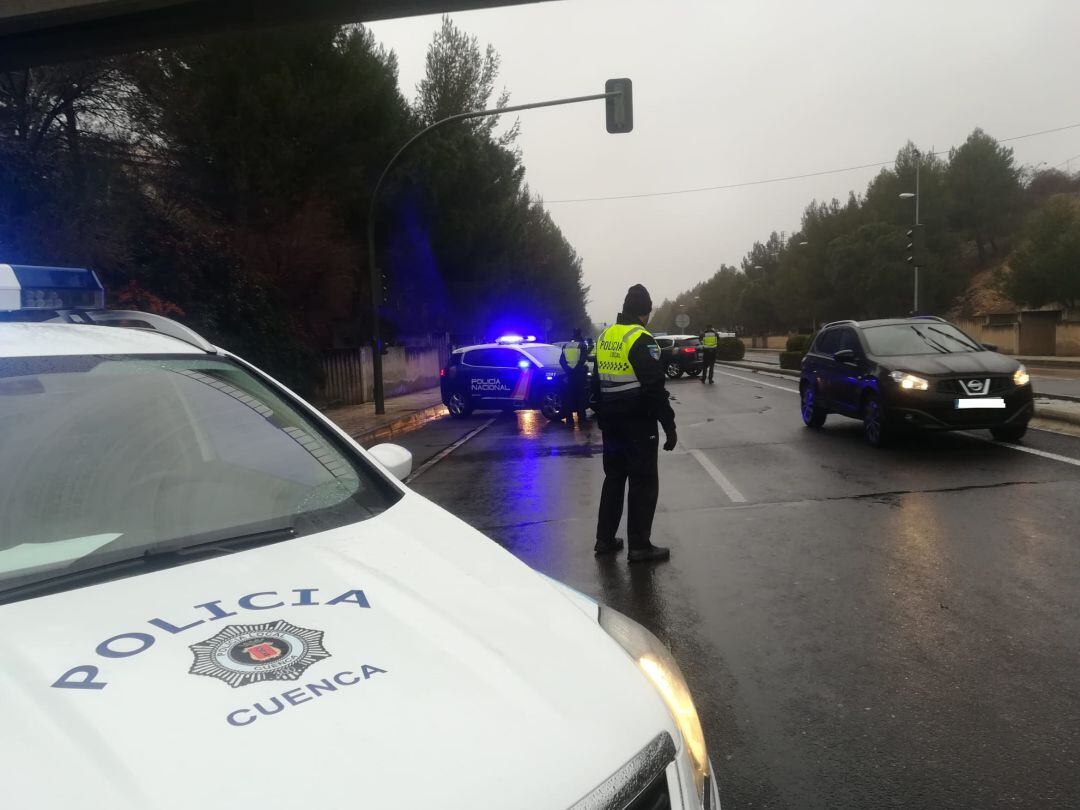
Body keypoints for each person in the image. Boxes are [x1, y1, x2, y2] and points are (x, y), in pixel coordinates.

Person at [591, 284, 676, 564]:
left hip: (611, 422)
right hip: (638, 424)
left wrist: (601, 415)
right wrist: (669, 425)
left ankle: (605, 539)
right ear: (645, 312)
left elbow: (595, 382)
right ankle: (639, 547)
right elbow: (654, 387)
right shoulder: (641, 338)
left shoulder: (606, 336)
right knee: (643, 482)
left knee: (614, 478)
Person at [559, 328, 590, 425]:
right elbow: (582, 360)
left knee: (569, 397)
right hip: (579, 376)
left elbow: (561, 361)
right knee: (581, 397)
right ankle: (582, 418)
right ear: (580, 334)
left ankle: (569, 419)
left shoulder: (566, 346)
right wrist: (576, 370)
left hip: (569, 376)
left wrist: (568, 371)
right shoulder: (582, 345)